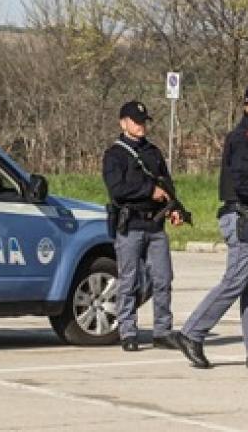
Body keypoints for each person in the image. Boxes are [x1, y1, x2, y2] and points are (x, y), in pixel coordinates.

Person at [172, 84, 248, 369]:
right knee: (235, 281)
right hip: (242, 217)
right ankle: (192, 333)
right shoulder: (245, 138)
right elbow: (242, 183)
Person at [102, 100, 183, 352]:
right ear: (123, 122)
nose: (141, 126)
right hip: (130, 225)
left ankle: (162, 331)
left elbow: (167, 185)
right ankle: (128, 331)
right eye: (136, 122)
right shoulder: (114, 155)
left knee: (162, 279)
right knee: (129, 281)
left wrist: (175, 208)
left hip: (155, 226)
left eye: (144, 122)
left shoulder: (153, 152)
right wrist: (149, 191)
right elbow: (117, 191)